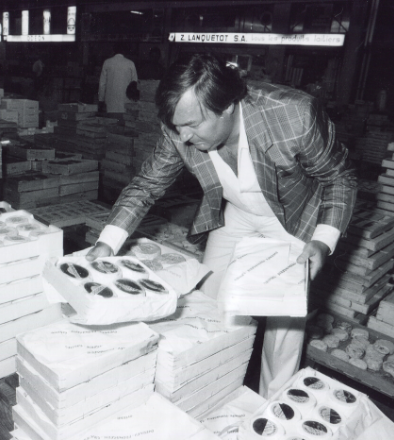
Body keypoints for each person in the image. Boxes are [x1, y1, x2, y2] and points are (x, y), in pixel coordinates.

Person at [87, 53, 357, 398]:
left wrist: (323, 240)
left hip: (294, 218)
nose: (183, 137)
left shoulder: (293, 114)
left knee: (283, 319)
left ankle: (273, 407)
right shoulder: (180, 125)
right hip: (238, 211)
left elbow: (341, 178)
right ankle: (211, 387)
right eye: (176, 126)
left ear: (228, 106)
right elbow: (146, 186)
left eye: (193, 125)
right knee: (209, 300)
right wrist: (107, 243)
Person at [98, 42, 138, 122]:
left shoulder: (107, 62)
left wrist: (100, 100)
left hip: (110, 104)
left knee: (110, 127)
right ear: (125, 51)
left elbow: (102, 84)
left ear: (113, 50)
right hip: (126, 103)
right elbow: (135, 84)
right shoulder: (130, 64)